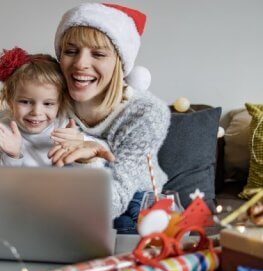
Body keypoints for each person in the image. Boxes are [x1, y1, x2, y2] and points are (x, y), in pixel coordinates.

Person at [49, 3, 171, 231]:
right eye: (71, 51)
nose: (80, 64)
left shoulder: (145, 113)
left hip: (131, 204)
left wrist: (90, 159)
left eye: (98, 54)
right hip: (66, 199)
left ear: (119, 63)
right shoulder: (48, 101)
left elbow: (112, 202)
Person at [0, 47, 104, 167]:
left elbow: (95, 161)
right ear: (10, 100)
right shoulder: (0, 131)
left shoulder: (64, 127)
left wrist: (79, 147)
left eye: (48, 104)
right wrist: (12, 156)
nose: (36, 112)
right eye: (25, 102)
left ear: (60, 104)